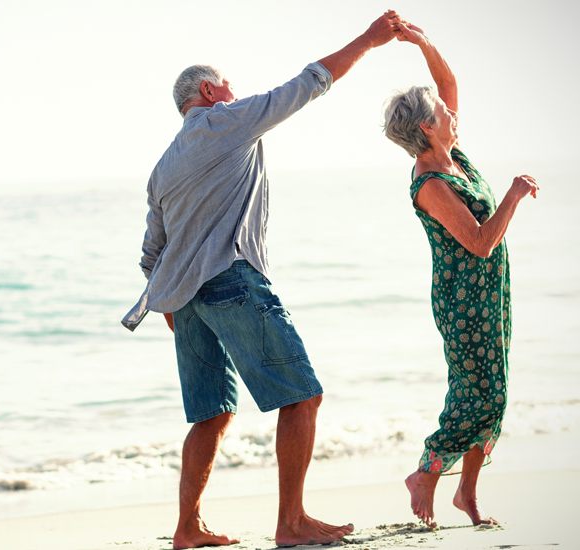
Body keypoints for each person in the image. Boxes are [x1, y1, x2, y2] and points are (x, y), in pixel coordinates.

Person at [121, 11, 402, 549]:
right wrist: (369, 39)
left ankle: (187, 528)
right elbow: (306, 85)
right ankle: (291, 522)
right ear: (209, 90)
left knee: (212, 414)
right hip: (231, 280)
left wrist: (176, 308)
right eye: (227, 84)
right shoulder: (226, 120)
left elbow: (150, 252)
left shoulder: (162, 165)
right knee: (302, 397)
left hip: (184, 301)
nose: (235, 91)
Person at [383, 22, 539, 529]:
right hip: (463, 299)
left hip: (491, 292)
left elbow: (447, 89)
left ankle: (467, 494)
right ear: (427, 128)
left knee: (494, 392)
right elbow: (478, 242)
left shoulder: (453, 156)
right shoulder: (429, 181)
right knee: (482, 394)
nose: (452, 113)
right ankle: (426, 472)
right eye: (443, 113)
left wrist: (423, 44)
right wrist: (513, 196)